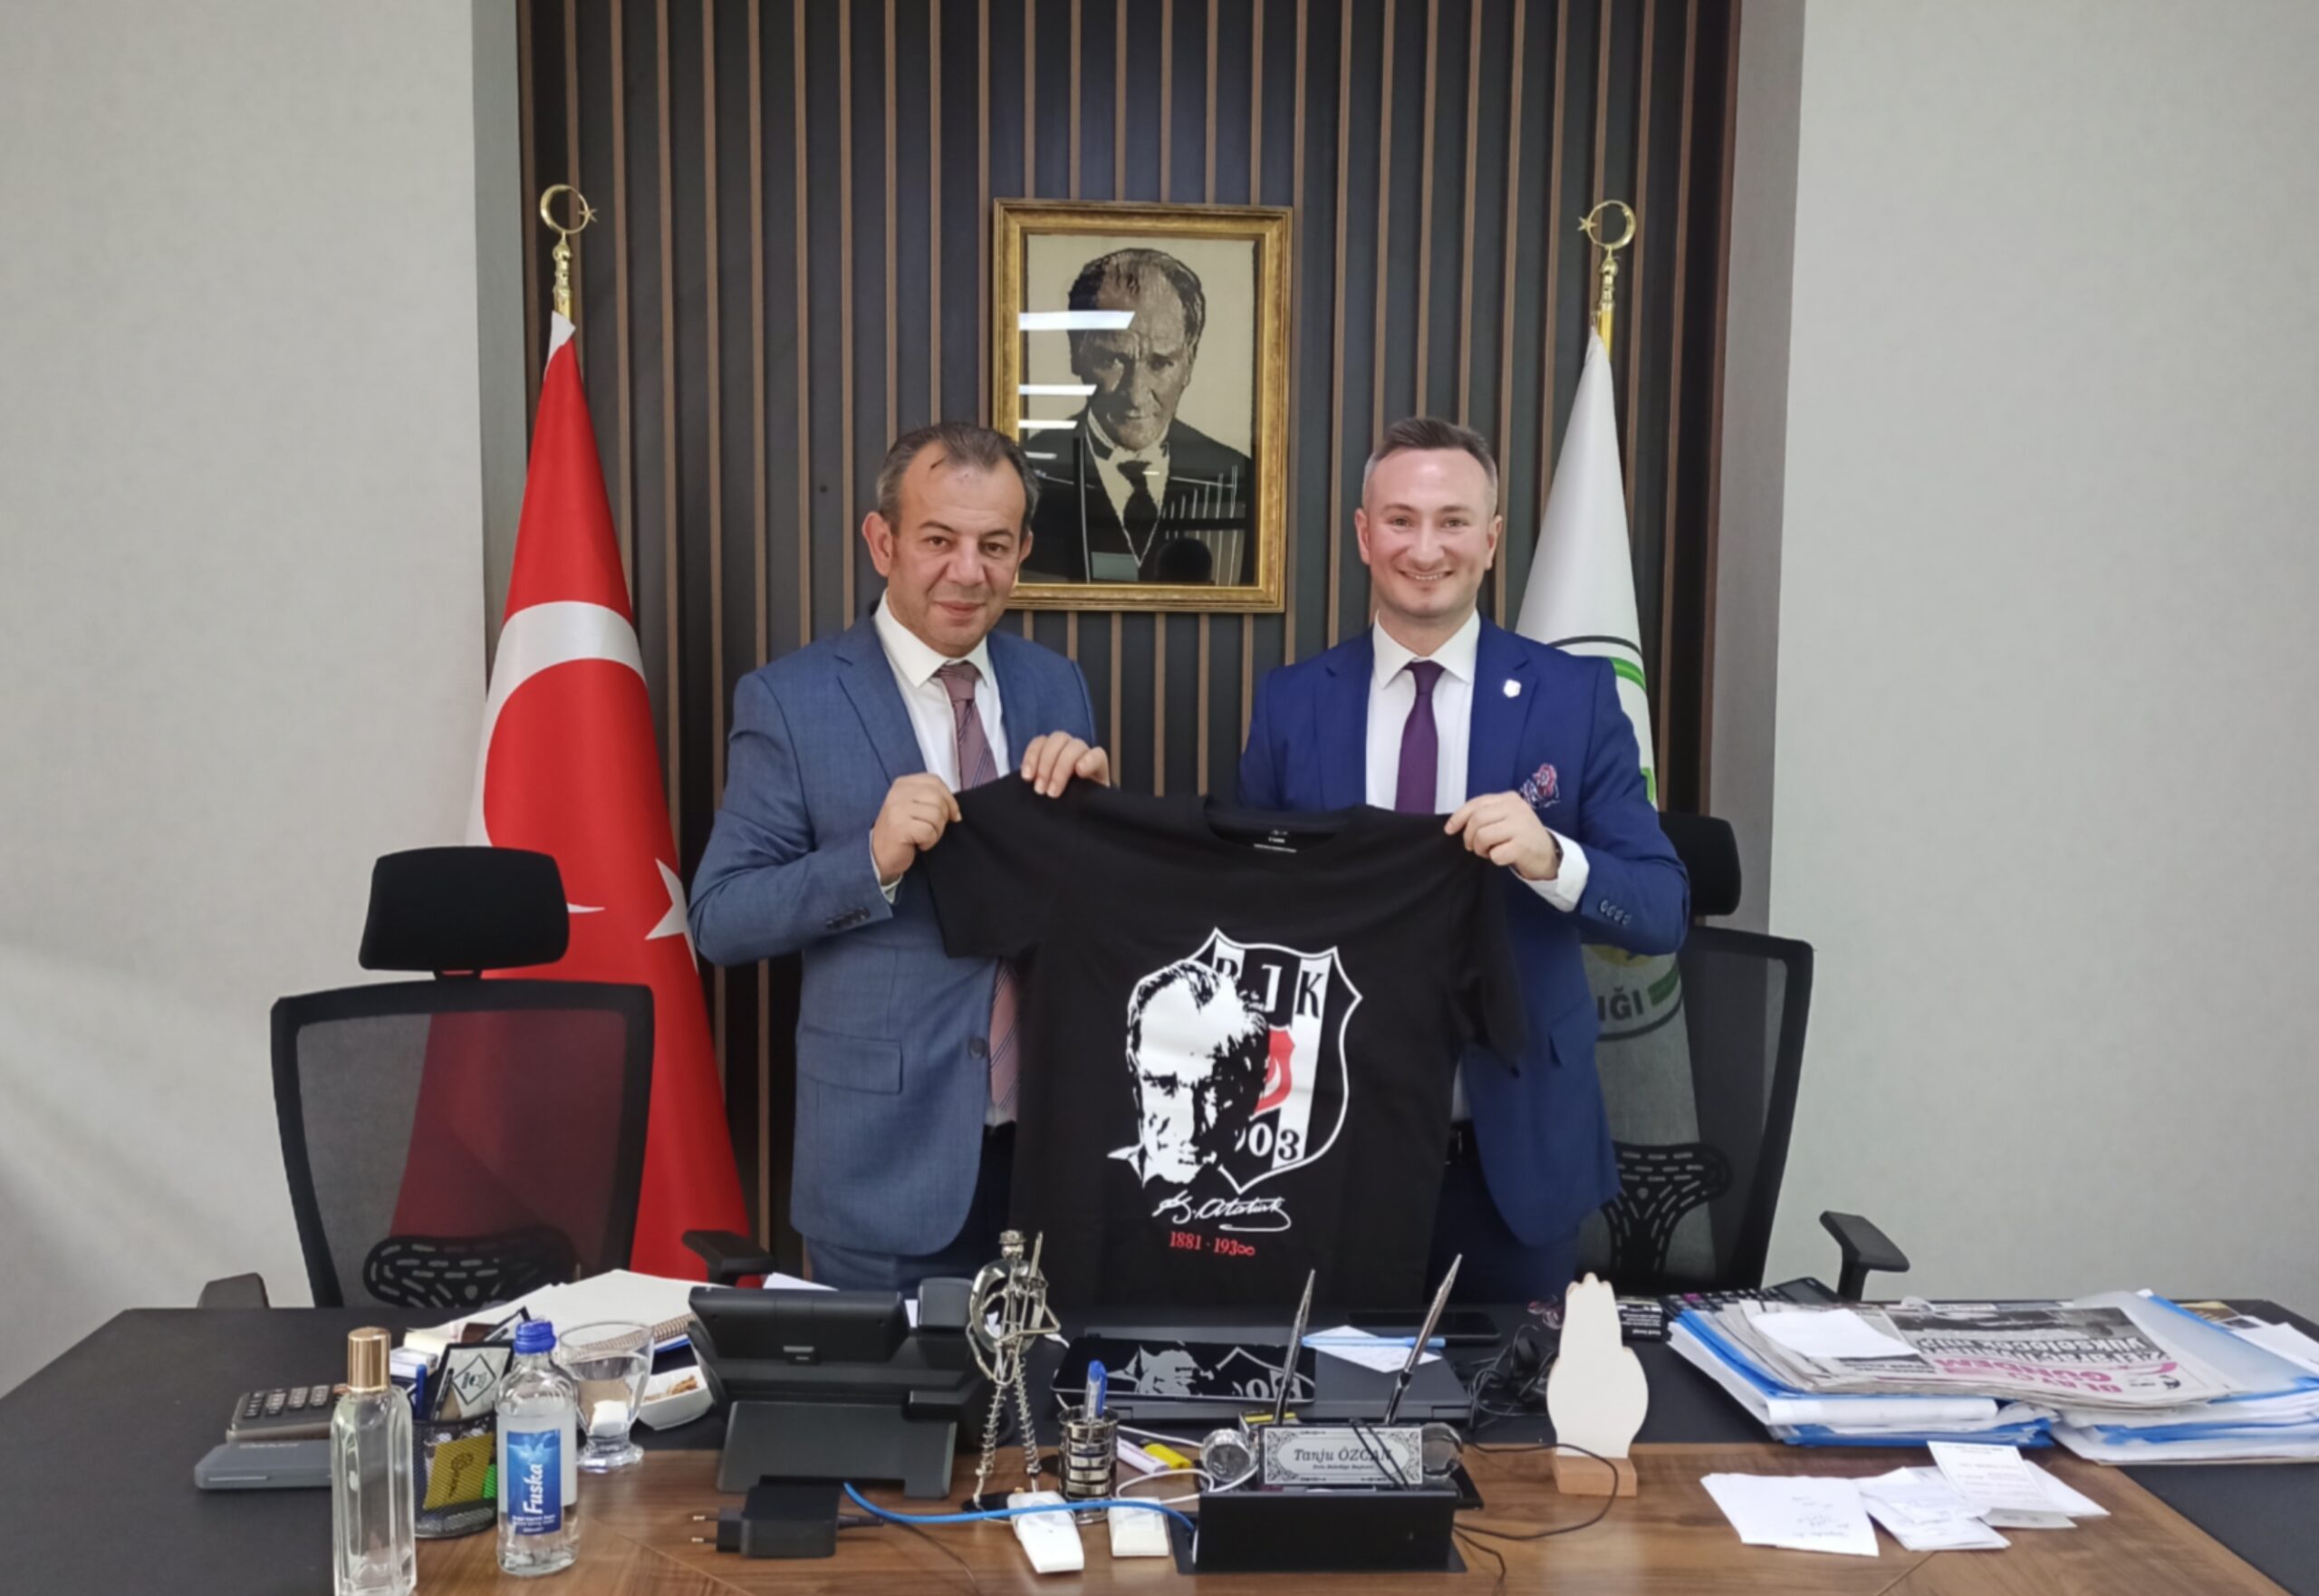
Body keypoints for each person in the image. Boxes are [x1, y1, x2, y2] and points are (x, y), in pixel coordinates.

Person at [1236, 416, 1690, 1304]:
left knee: (1515, 1395)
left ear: (1490, 539)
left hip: (1509, 1159)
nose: (1425, 548)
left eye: (1452, 521)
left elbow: (1662, 908)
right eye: (1400, 520)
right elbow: (1244, 908)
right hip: (1327, 1153)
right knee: (1326, 1390)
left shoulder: (1573, 698)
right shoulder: (1291, 705)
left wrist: (1553, 859)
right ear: (1364, 535)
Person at [689, 421, 1110, 1293]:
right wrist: (872, 859)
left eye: (994, 545)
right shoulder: (791, 700)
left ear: (1023, 552)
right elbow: (721, 917)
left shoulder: (1056, 685)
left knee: (1045, 1389)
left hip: (1053, 1162)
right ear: (882, 542)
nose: (968, 571)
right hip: (884, 1172)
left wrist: (1102, 827)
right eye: (938, 540)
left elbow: (1091, 918)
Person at [1022, 246, 1256, 586]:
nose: (1135, 394)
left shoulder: (1239, 476)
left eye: (1160, 363)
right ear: (1077, 352)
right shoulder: (1027, 471)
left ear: (1189, 361)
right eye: (1113, 360)